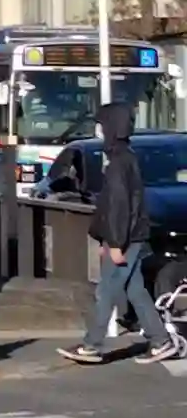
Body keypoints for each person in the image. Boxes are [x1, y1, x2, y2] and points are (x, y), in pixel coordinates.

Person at [60, 102, 180, 366]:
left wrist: (114, 243)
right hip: (131, 235)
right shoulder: (126, 158)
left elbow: (117, 207)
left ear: (111, 127)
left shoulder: (117, 163)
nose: (99, 130)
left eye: (101, 124)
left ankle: (92, 345)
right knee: (135, 290)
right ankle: (160, 340)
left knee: (107, 290)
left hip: (124, 238)